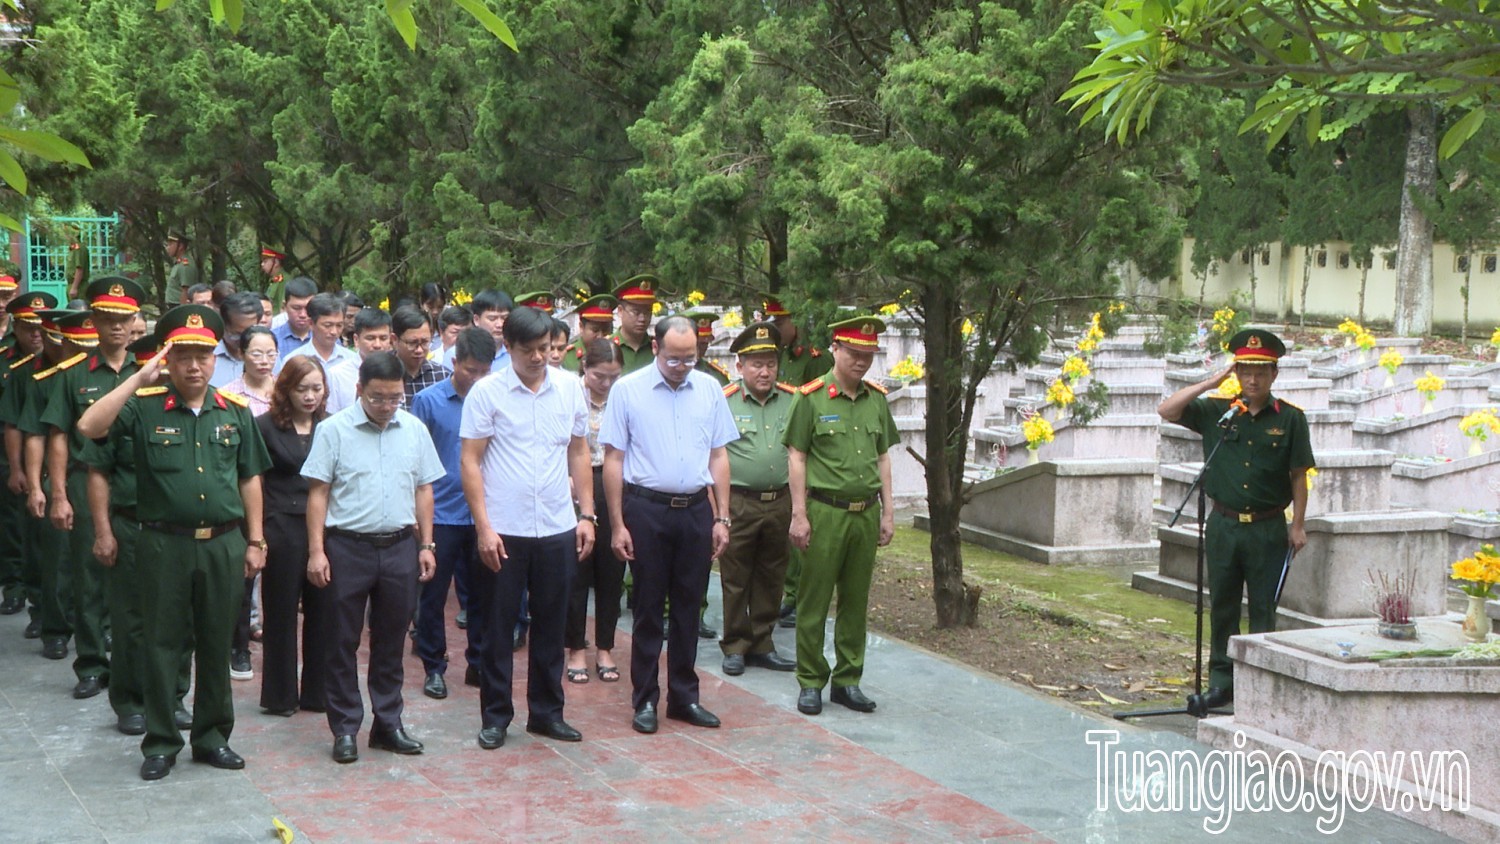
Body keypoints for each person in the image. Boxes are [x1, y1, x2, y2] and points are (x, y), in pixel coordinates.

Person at [77, 304, 271, 781]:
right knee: (163, 644)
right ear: (168, 359)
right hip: (163, 545)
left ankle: (211, 738)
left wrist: (256, 540)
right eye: (182, 355)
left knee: (215, 642)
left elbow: (250, 479)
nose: (193, 366)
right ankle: (161, 741)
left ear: (215, 360)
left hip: (223, 543)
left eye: (202, 356)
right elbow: (89, 427)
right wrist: (138, 379)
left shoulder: (235, 412)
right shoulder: (143, 409)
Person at [1157, 328, 1313, 715]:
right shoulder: (1217, 411)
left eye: (1261, 372)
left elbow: (1298, 475)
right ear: (1237, 373)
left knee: (1263, 608)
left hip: (1267, 527)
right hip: (1223, 525)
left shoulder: (1291, 419)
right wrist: (1212, 382)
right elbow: (1168, 410)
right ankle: (1222, 684)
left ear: (1274, 375)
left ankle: (1258, 685)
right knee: (1223, 606)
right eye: (1245, 371)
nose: (1253, 379)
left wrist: (1298, 525)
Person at [460, 307, 594, 748]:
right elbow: (471, 461)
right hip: (505, 528)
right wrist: (484, 527)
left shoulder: (570, 387)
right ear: (508, 348)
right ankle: (496, 716)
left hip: (556, 524)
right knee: (499, 627)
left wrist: (586, 514)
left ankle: (547, 712)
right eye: (528, 351)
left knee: (553, 624)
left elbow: (578, 452)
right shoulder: (488, 393)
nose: (539, 358)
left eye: (545, 349)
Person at [302, 351, 443, 764]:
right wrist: (316, 551)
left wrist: (427, 544)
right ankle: (345, 727)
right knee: (341, 640)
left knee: (391, 639)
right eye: (378, 398)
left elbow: (424, 489)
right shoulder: (333, 430)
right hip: (347, 547)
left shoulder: (414, 429)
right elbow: (318, 492)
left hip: (400, 546)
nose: (386, 406)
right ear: (360, 390)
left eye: (394, 398)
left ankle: (388, 724)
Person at [600, 314, 736, 735]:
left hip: (695, 509)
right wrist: (618, 524)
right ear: (656, 348)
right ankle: (645, 699)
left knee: (689, 607)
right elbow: (614, 459)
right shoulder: (628, 390)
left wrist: (722, 515)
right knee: (647, 607)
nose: (681, 367)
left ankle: (684, 696)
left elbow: (718, 455)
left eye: (690, 359)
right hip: (647, 509)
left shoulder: (710, 389)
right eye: (674, 359)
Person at [784, 316, 897, 717]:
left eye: (868, 355)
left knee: (855, 601)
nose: (861, 362)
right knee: (814, 600)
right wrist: (799, 514)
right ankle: (811, 680)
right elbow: (796, 456)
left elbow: (883, 456)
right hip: (825, 511)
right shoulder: (811, 398)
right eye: (854, 353)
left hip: (864, 514)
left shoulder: (876, 400)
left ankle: (848, 680)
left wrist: (888, 511)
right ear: (836, 348)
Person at [42, 279, 149, 702]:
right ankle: (90, 662)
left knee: (138, 582)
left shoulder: (150, 369)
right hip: (88, 481)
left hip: (141, 486)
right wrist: (58, 494)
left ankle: (130, 658)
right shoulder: (73, 375)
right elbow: (58, 437)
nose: (117, 327)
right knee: (90, 573)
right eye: (108, 319)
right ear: (95, 321)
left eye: (125, 319)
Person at [83, 333, 194, 737]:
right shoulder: (127, 411)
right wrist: (103, 531)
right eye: (159, 371)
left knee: (180, 618)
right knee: (132, 619)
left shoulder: (192, 411)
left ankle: (173, 696)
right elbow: (98, 471)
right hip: (131, 525)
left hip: (179, 532)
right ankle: (130, 700)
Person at [410, 327, 495, 701]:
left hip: (483, 514)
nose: (476, 379)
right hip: (441, 513)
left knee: (483, 594)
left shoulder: (496, 400)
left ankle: (478, 660)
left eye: (484, 371)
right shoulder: (429, 401)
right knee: (432, 596)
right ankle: (434, 666)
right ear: (454, 362)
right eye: (470, 370)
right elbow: (416, 461)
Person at [718, 322, 797, 676]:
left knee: (772, 573)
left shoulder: (794, 401)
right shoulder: (724, 402)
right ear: (740, 366)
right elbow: (713, 455)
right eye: (756, 364)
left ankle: (762, 642)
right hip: (739, 501)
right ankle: (735, 644)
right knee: (736, 575)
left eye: (770, 363)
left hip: (780, 500)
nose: (764, 371)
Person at [255, 355, 331, 717]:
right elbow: (255, 481)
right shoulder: (265, 427)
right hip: (281, 525)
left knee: (324, 611)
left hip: (324, 529)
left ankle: (318, 691)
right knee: (281, 611)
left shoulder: (332, 426)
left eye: (317, 388)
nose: (310, 396)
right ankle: (280, 695)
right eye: (302, 389)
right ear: (286, 389)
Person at [14, 306, 83, 662]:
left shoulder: (113, 377)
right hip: (61, 478)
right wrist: (38, 486)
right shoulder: (47, 381)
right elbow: (35, 435)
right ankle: (55, 628)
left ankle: (96, 631)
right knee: (57, 562)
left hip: (99, 482)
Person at [765, 295, 832, 630]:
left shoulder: (816, 359)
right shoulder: (772, 356)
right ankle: (780, 593)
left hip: (806, 449)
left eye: (780, 323)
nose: (774, 329)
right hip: (778, 446)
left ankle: (795, 595)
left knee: (800, 529)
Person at [564, 339, 625, 684]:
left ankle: (604, 646)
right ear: (584, 367)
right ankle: (574, 647)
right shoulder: (570, 394)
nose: (605, 383)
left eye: (613, 377)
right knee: (577, 572)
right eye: (599, 376)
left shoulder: (624, 396)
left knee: (611, 570)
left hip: (615, 483)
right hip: (576, 483)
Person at [0, 292, 57, 640]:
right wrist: (18, 468)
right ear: (15, 328)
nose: (36, 334)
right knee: (17, 530)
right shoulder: (13, 366)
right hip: (13, 457)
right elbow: (13, 423)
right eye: (29, 327)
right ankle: (20, 589)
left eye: (42, 328)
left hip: (55, 465)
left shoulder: (64, 366)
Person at [0, 279, 38, 618]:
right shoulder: (7, 357)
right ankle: (13, 585)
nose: (36, 334)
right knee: (11, 524)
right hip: (7, 452)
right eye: (30, 327)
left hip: (43, 455)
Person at [327, 308, 393, 414]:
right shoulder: (337, 375)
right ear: (356, 340)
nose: (377, 345)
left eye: (383, 338)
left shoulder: (397, 371)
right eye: (370, 338)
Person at [280, 292, 356, 373]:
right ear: (311, 324)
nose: (334, 332)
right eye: (327, 325)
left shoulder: (352, 360)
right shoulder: (293, 361)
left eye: (339, 325)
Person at [391, 305, 449, 406]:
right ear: (394, 340)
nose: (419, 350)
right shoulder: (379, 376)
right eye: (412, 343)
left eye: (425, 342)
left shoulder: (442, 376)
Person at [211, 292, 266, 389]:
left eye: (249, 333)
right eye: (237, 335)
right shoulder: (208, 355)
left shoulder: (268, 356)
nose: (244, 340)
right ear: (224, 326)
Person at [221, 326, 276, 417]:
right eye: (256, 355)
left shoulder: (287, 389)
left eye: (271, 354)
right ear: (241, 354)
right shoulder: (229, 395)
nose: (264, 361)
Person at [610, 275, 659, 374]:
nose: (642, 318)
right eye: (636, 312)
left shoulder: (658, 349)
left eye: (647, 312)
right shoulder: (606, 347)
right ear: (620, 311)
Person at [560, 293, 616, 373]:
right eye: (595, 330)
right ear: (581, 327)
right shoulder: (567, 356)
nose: (600, 336)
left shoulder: (616, 353)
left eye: (605, 330)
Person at [271, 277, 318, 359]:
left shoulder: (327, 338)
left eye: (308, 308)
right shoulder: (271, 339)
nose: (303, 314)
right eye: (296, 308)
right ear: (284, 306)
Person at [682, 311, 731, 386]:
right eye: (698, 343)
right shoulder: (665, 371)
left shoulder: (716, 376)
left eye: (706, 343)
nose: (703, 347)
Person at [469, 289, 513, 372]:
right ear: (476, 320)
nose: (500, 324)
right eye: (492, 318)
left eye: (504, 318)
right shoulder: (459, 352)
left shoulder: (517, 353)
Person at [163, 231, 199, 307]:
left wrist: (182, 312)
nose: (167, 248)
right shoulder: (179, 263)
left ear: (180, 246)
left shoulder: (185, 265)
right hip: (173, 306)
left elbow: (186, 291)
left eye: (171, 244)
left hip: (178, 306)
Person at [261, 245, 288, 314]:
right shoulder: (274, 279)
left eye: (265, 261)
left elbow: (283, 307)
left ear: (276, 263)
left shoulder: (284, 280)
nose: (262, 264)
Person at [65, 232, 90, 300]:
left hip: (79, 286)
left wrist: (74, 288)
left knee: (77, 307)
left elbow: (79, 269)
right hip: (72, 284)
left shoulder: (78, 248)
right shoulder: (73, 248)